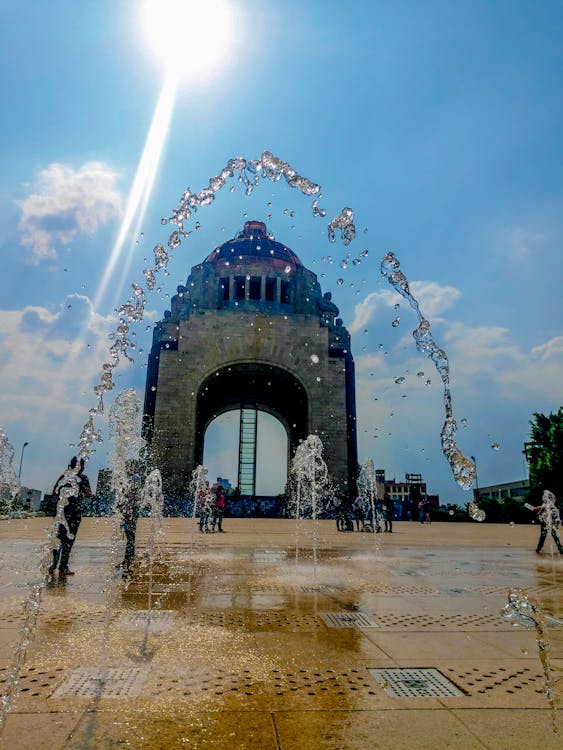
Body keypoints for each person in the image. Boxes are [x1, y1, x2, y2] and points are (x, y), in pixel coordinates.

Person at [49, 456, 91, 578]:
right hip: (74, 514)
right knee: (68, 541)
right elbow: (88, 494)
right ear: (80, 466)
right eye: (83, 465)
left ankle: (52, 566)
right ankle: (63, 568)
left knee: (58, 540)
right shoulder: (82, 478)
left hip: (60, 513)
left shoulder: (64, 476)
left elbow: (53, 493)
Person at [115, 468, 143, 577]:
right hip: (128, 510)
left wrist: (126, 509)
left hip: (131, 510)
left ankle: (128, 561)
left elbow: (132, 494)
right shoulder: (130, 479)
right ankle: (127, 559)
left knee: (130, 535)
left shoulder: (136, 477)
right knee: (129, 535)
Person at [530, 490, 563, 554]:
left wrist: (530, 507)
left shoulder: (546, 506)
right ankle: (560, 548)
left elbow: (535, 509)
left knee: (544, 536)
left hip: (546, 523)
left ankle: (539, 548)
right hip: (547, 523)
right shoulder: (549, 506)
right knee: (553, 535)